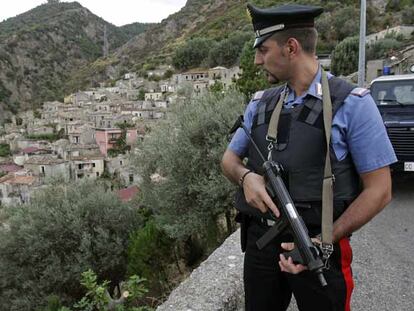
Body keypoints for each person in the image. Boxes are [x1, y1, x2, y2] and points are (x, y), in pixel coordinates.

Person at [221, 3, 397, 311]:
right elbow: (229, 161)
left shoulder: (353, 105)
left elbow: (380, 190)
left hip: (320, 247)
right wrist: (246, 177)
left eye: (263, 49)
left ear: (291, 47)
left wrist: (321, 243)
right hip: (262, 245)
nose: (257, 60)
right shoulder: (260, 104)